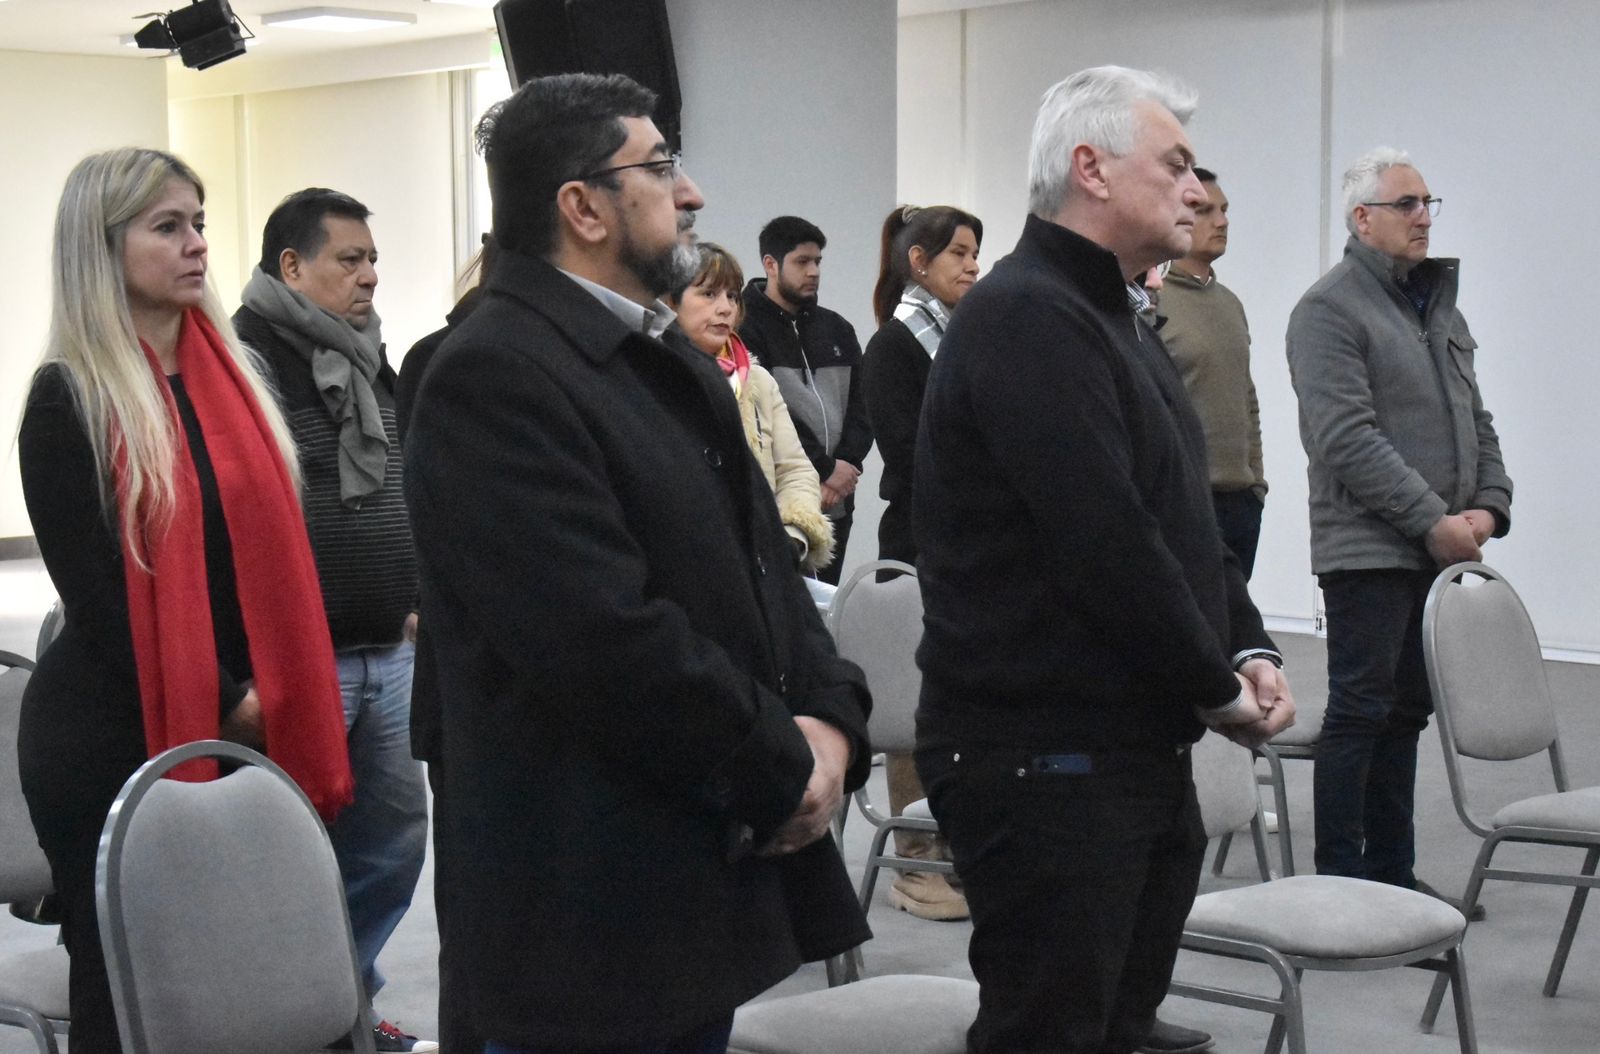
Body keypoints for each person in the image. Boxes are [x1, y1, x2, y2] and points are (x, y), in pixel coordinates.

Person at [403, 73, 873, 1054]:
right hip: (585, 910)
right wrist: (783, 764)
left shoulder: (665, 361)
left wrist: (831, 720)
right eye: (659, 167)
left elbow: (766, 572)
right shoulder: (494, 374)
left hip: (687, 876)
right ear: (581, 206)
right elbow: (604, 637)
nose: (691, 191)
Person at [912, 67, 1296, 1054]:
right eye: (1172, 166)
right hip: (1043, 766)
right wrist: (1216, 687)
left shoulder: (1113, 315)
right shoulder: (1027, 316)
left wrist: (1248, 641)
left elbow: (1180, 519)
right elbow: (1106, 541)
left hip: (1121, 757)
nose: (1195, 190)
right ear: (1090, 168)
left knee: (1116, 1026)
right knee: (1049, 1032)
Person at [16, 147, 352, 1054]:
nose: (197, 244)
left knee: (251, 969)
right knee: (130, 985)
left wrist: (267, 696)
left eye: (199, 221)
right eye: (168, 226)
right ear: (102, 245)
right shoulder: (70, 401)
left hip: (248, 716)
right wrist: (232, 698)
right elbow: (103, 602)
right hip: (114, 731)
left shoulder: (235, 378)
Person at [231, 188, 433, 1053]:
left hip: (386, 647)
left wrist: (419, 589)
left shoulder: (367, 355)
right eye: (348, 260)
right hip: (297, 662)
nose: (369, 275)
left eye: (372, 259)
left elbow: (399, 483)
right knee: (284, 860)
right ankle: (281, 1019)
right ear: (291, 266)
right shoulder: (246, 363)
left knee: (389, 846)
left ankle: (335, 1008)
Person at [1287, 148, 1510, 902]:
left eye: (1427, 203)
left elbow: (1474, 418)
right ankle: (1340, 883)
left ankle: (1391, 876)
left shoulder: (1439, 306)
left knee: (1408, 711)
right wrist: (1433, 520)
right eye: (1406, 204)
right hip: (1367, 548)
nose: (1423, 217)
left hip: (1438, 545)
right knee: (1361, 707)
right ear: (1363, 218)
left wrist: (1491, 505)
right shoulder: (1328, 310)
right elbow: (1344, 438)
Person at [859, 203, 982, 924]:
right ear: (919, 263)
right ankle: (915, 863)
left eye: (976, 253)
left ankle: (957, 848)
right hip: (917, 545)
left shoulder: (969, 339)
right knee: (915, 708)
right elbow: (910, 456)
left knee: (958, 707)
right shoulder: (894, 348)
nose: (972, 265)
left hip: (968, 546)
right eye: (959, 253)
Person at [669, 242, 834, 572]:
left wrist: (791, 537)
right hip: (692, 566)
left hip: (767, 562)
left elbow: (796, 470)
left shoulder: (757, 380)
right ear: (670, 302)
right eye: (709, 294)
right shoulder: (653, 376)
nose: (725, 308)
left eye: (732, 296)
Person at [739, 216, 873, 584]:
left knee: (826, 613)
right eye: (802, 262)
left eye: (818, 262)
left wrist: (845, 465)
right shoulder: (743, 327)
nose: (813, 271)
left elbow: (864, 406)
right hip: (783, 504)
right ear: (770, 264)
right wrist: (824, 469)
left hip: (837, 500)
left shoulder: (837, 329)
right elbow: (768, 412)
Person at [1158, 167, 1268, 578]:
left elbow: (1247, 400)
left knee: (1232, 635)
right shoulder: (1152, 303)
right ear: (1175, 215)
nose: (1221, 221)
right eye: (1205, 210)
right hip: (1185, 505)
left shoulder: (1230, 304)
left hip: (1240, 504)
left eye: (1224, 210)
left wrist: (1256, 486)